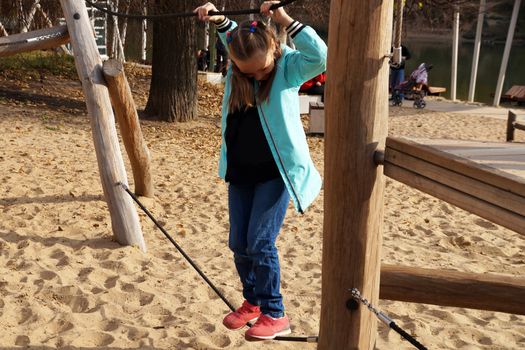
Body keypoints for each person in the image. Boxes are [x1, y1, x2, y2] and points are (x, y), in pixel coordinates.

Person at [194, 0, 326, 341]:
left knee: (260, 241)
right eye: (247, 71)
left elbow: (321, 57)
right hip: (240, 172)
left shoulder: (286, 68)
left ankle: (275, 312)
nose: (255, 76)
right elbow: (233, 35)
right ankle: (252, 300)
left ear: (274, 50)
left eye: (261, 71)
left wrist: (284, 19)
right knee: (239, 242)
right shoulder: (243, 61)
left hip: (274, 174)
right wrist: (218, 16)